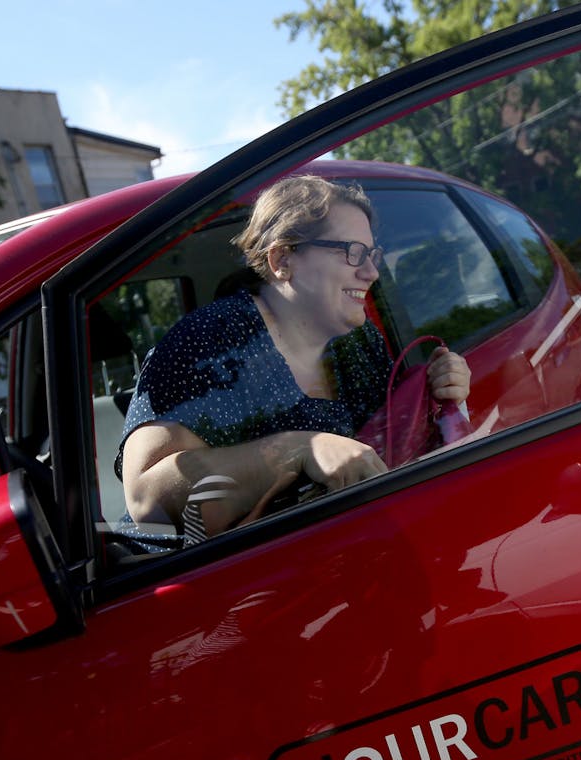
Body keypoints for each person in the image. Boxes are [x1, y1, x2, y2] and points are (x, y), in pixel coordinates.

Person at [117, 174, 470, 540]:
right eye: (353, 252)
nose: (372, 272)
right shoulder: (209, 339)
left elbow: (391, 437)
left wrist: (437, 389)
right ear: (282, 259)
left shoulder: (357, 339)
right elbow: (146, 500)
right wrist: (300, 449)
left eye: (372, 254)